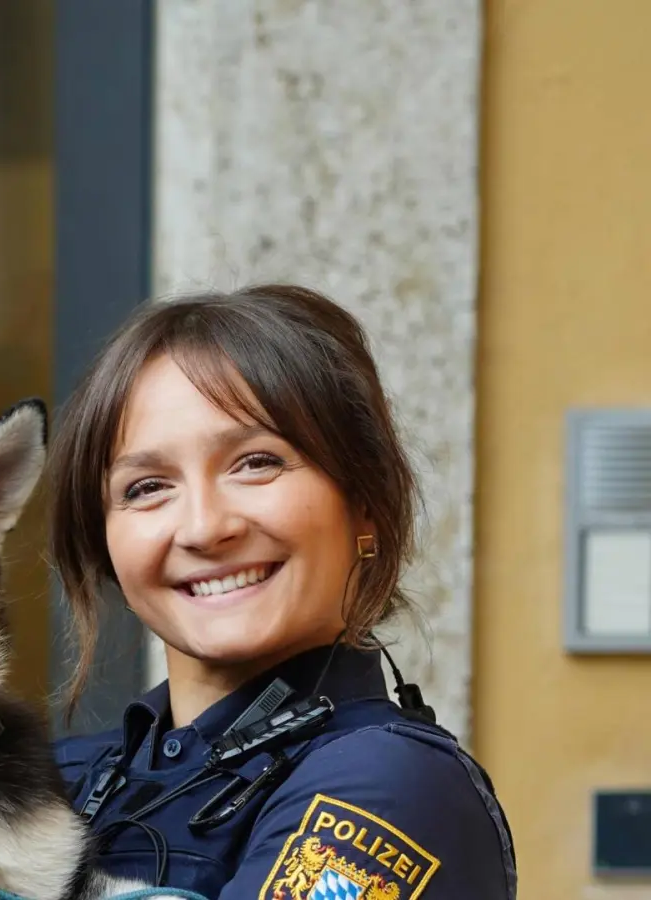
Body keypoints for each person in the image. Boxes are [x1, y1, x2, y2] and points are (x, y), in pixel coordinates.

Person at [46, 285, 517, 898]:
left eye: (257, 462)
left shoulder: (390, 782)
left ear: (366, 504)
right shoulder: (54, 780)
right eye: (147, 487)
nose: (205, 526)